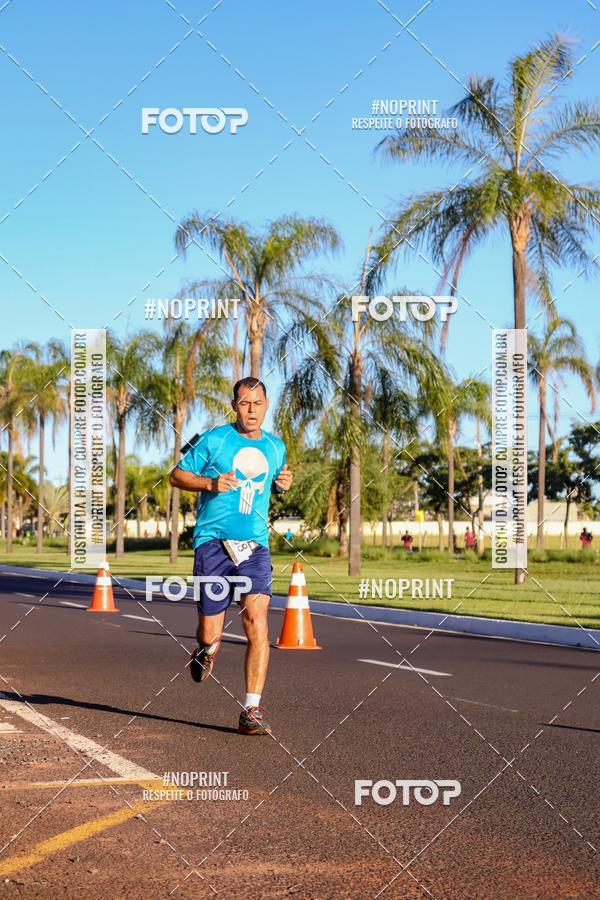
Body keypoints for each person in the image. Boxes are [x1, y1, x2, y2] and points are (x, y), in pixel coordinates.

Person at [169, 377, 292, 736]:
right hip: (212, 543)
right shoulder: (214, 439)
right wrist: (210, 483)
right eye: (244, 403)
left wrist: (282, 484)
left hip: (254, 545)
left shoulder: (276, 447)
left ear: (267, 405)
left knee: (257, 622)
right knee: (211, 632)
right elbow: (176, 475)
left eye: (257, 403)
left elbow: (273, 484)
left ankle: (251, 709)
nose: (251, 410)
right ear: (234, 405)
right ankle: (205, 651)